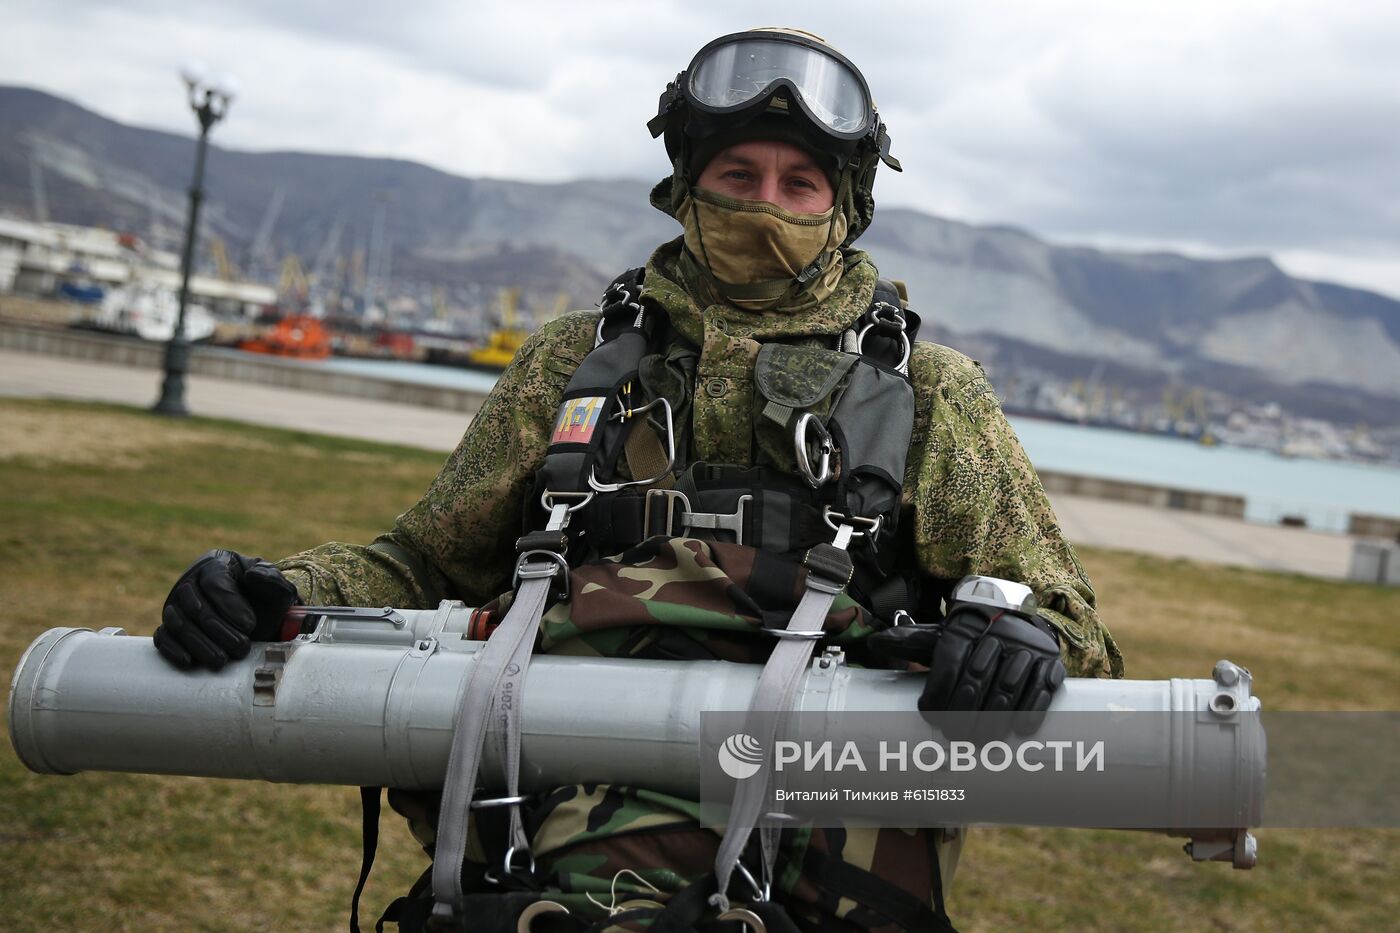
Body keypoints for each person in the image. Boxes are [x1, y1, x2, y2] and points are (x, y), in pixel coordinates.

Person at [154, 27, 1123, 933]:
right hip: (567, 777)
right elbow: (421, 560)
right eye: (736, 174)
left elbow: (1066, 621)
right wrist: (279, 589)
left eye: (797, 183)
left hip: (830, 799)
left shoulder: (926, 391)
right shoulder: (574, 363)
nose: (763, 204)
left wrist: (1018, 635)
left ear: (844, 203)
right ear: (682, 185)